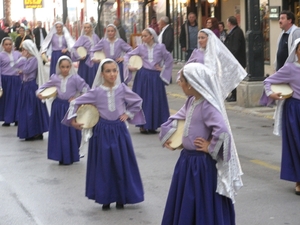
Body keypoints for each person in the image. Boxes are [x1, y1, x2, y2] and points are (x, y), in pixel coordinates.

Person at [159, 63, 243, 224]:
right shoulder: (191, 101)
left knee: (201, 201)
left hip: (201, 165)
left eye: (182, 80)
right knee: (187, 200)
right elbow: (177, 119)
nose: (179, 83)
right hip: (187, 162)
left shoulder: (207, 106)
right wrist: (170, 138)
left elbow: (223, 132)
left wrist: (209, 147)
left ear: (191, 83)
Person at [62, 58, 145, 210]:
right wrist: (73, 120)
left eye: (114, 70)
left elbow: (137, 101)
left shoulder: (122, 88)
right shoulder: (96, 92)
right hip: (102, 132)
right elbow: (75, 102)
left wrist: (128, 113)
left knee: (121, 163)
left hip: (119, 131)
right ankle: (105, 197)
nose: (112, 74)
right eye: (108, 71)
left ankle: (122, 196)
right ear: (102, 74)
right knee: (104, 165)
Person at [260, 38, 300, 195]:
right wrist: (272, 94)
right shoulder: (290, 68)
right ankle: (298, 180)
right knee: (297, 145)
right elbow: (268, 81)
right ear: (296, 51)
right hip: (295, 110)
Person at [36, 56, 89, 165]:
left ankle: (72, 154)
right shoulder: (55, 78)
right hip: (58, 108)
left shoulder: (76, 78)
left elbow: (86, 90)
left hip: (70, 107)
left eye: (67, 67)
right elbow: (43, 87)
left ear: (70, 67)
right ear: (59, 67)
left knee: (70, 132)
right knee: (59, 131)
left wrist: (77, 98)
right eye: (62, 67)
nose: (65, 69)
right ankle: (60, 155)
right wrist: (40, 94)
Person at [123, 27, 173, 134]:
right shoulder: (140, 48)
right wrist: (129, 66)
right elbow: (128, 55)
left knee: (155, 100)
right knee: (143, 100)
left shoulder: (161, 47)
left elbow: (169, 59)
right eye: (142, 36)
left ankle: (153, 125)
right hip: (143, 76)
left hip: (155, 77)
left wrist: (163, 69)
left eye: (145, 36)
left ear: (152, 36)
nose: (143, 38)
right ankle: (142, 125)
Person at [178, 28, 247, 101]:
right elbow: (186, 68)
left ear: (209, 39)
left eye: (202, 38)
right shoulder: (196, 53)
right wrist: (180, 78)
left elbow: (230, 64)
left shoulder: (217, 52)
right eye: (198, 38)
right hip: (199, 87)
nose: (200, 40)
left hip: (213, 87)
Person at [14, 40, 49, 141]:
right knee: (25, 109)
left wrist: (23, 59)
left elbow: (26, 70)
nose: (23, 51)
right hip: (25, 86)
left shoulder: (34, 59)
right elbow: (17, 68)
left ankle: (35, 132)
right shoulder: (27, 59)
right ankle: (28, 132)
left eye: (24, 49)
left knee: (32, 110)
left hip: (31, 87)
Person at [71, 22, 100, 87]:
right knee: (86, 76)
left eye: (88, 27)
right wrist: (79, 57)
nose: (86, 29)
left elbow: (100, 46)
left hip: (95, 59)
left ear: (91, 28)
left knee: (95, 76)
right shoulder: (82, 38)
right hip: (86, 60)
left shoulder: (95, 37)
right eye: (85, 28)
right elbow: (73, 48)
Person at [0, 37, 22, 126]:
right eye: (6, 44)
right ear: (3, 45)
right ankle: (7, 119)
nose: (8, 46)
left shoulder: (17, 54)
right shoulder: (1, 55)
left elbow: (23, 64)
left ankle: (17, 118)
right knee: (7, 100)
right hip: (6, 80)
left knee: (17, 99)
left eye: (10, 44)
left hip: (17, 79)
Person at [224, 16, 246, 102]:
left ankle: (234, 95)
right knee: (232, 77)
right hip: (234, 59)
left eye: (227, 23)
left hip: (237, 59)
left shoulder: (237, 32)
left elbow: (235, 47)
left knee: (234, 78)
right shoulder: (234, 32)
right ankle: (232, 94)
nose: (227, 24)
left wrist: (231, 57)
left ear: (230, 23)